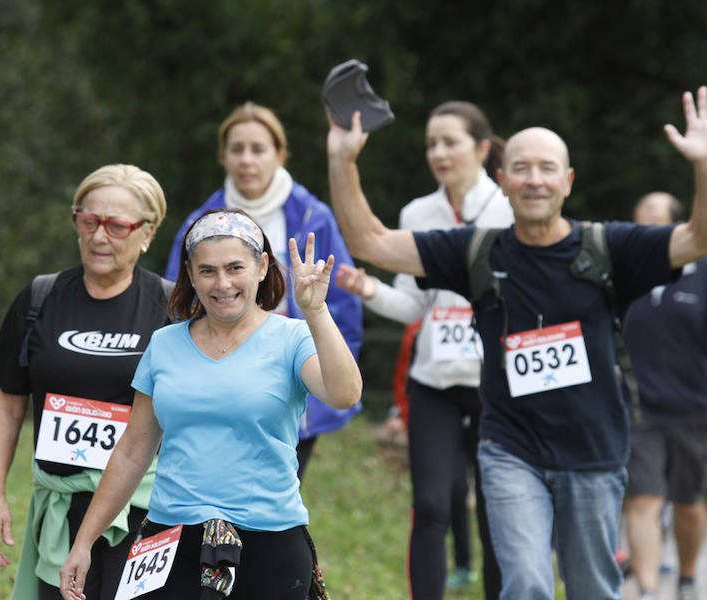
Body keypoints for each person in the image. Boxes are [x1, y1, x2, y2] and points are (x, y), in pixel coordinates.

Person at [325, 86, 707, 599]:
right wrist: (342, 161)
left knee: (592, 587)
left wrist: (703, 165)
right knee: (525, 582)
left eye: (547, 168)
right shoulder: (476, 250)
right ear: (502, 180)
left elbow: (697, 240)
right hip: (510, 450)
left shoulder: (608, 246)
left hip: (592, 450)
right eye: (522, 168)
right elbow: (370, 243)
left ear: (567, 181)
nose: (534, 180)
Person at [58, 209, 362, 599]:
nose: (222, 284)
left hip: (268, 541)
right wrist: (84, 542)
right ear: (189, 273)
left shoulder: (292, 337)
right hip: (168, 540)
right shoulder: (164, 344)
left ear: (262, 266)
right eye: (207, 271)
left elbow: (345, 394)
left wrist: (316, 311)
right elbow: (134, 452)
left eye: (236, 267)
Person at [335, 100, 510, 599]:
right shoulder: (418, 212)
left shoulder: (509, 206)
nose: (438, 152)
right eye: (431, 143)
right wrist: (369, 290)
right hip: (433, 383)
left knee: (497, 511)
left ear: (480, 147)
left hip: (494, 384)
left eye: (450, 141)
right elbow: (414, 308)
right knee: (431, 506)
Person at [0, 164, 171, 599]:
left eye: (117, 226)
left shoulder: (172, 306)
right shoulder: (40, 297)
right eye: (88, 221)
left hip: (144, 509)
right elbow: (9, 404)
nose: (100, 236)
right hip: (61, 507)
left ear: (147, 233)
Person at [164, 102, 363, 477]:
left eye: (258, 149)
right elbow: (177, 303)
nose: (247, 160)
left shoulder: (314, 217)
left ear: (280, 154)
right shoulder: (197, 224)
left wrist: (334, 370)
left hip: (294, 367)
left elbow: (343, 305)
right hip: (222, 369)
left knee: (277, 484)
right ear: (223, 157)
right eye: (237, 149)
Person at [622, 191, 707, 600]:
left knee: (688, 504)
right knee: (644, 498)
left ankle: (688, 578)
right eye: (642, 223)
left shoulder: (703, 273)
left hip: (694, 409)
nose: (649, 231)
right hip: (640, 408)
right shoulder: (626, 274)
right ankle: (649, 589)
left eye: (657, 221)